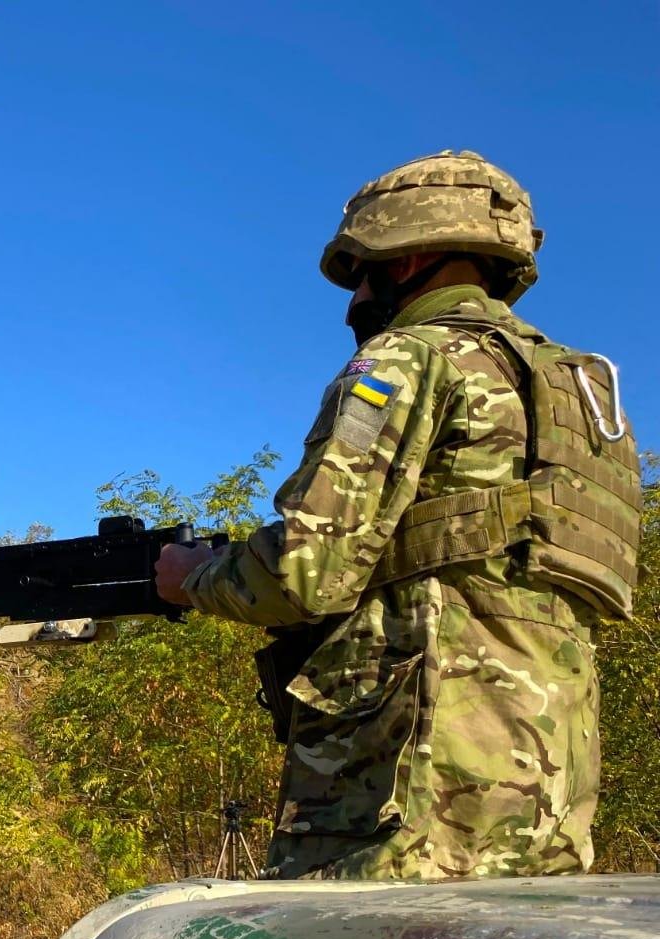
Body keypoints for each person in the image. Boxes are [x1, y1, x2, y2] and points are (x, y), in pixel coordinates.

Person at [154, 150, 641, 881]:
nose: (354, 301)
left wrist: (192, 577)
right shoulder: (583, 400)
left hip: (412, 779)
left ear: (407, 254)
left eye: (361, 271)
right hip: (547, 778)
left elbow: (305, 571)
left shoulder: (407, 359)